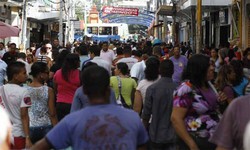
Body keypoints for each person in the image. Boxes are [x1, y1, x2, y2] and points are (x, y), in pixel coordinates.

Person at [31, 66, 149, 150]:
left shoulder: (72, 121)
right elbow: (142, 146)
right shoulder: (132, 118)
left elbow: (40, 146)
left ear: (85, 91)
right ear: (109, 90)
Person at [171, 54, 227, 150]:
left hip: (215, 140)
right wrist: (192, 145)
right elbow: (176, 119)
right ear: (199, 69)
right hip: (198, 142)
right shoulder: (186, 89)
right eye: (209, 65)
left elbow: (214, 110)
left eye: (212, 65)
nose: (212, 68)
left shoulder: (209, 85)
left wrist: (221, 102)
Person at [142, 60, 177, 150]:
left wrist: (143, 130)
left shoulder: (152, 89)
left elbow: (146, 113)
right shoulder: (179, 89)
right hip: (175, 134)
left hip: (156, 133)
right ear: (173, 71)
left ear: (159, 71)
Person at [0, 62, 32, 149]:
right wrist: (28, 137)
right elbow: (24, 116)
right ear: (15, 76)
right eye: (24, 73)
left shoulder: (1, 89)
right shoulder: (24, 92)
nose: (26, 75)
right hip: (18, 133)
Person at [27, 62, 58, 144]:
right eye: (47, 73)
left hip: (30, 126)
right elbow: (52, 113)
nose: (49, 75)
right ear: (41, 74)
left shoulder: (24, 90)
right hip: (46, 126)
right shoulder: (49, 90)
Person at [53, 53, 80, 121]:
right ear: (75, 62)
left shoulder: (58, 73)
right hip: (74, 104)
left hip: (60, 104)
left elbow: (55, 88)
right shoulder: (79, 74)